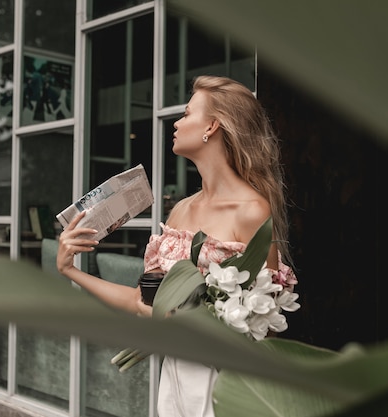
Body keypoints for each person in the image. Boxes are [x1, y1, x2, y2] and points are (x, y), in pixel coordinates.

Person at [57, 75, 296, 417]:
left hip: (227, 382)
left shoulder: (252, 210)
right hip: (175, 378)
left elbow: (266, 325)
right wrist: (68, 270)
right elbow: (142, 301)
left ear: (211, 126)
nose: (177, 122)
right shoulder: (181, 211)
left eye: (186, 114)